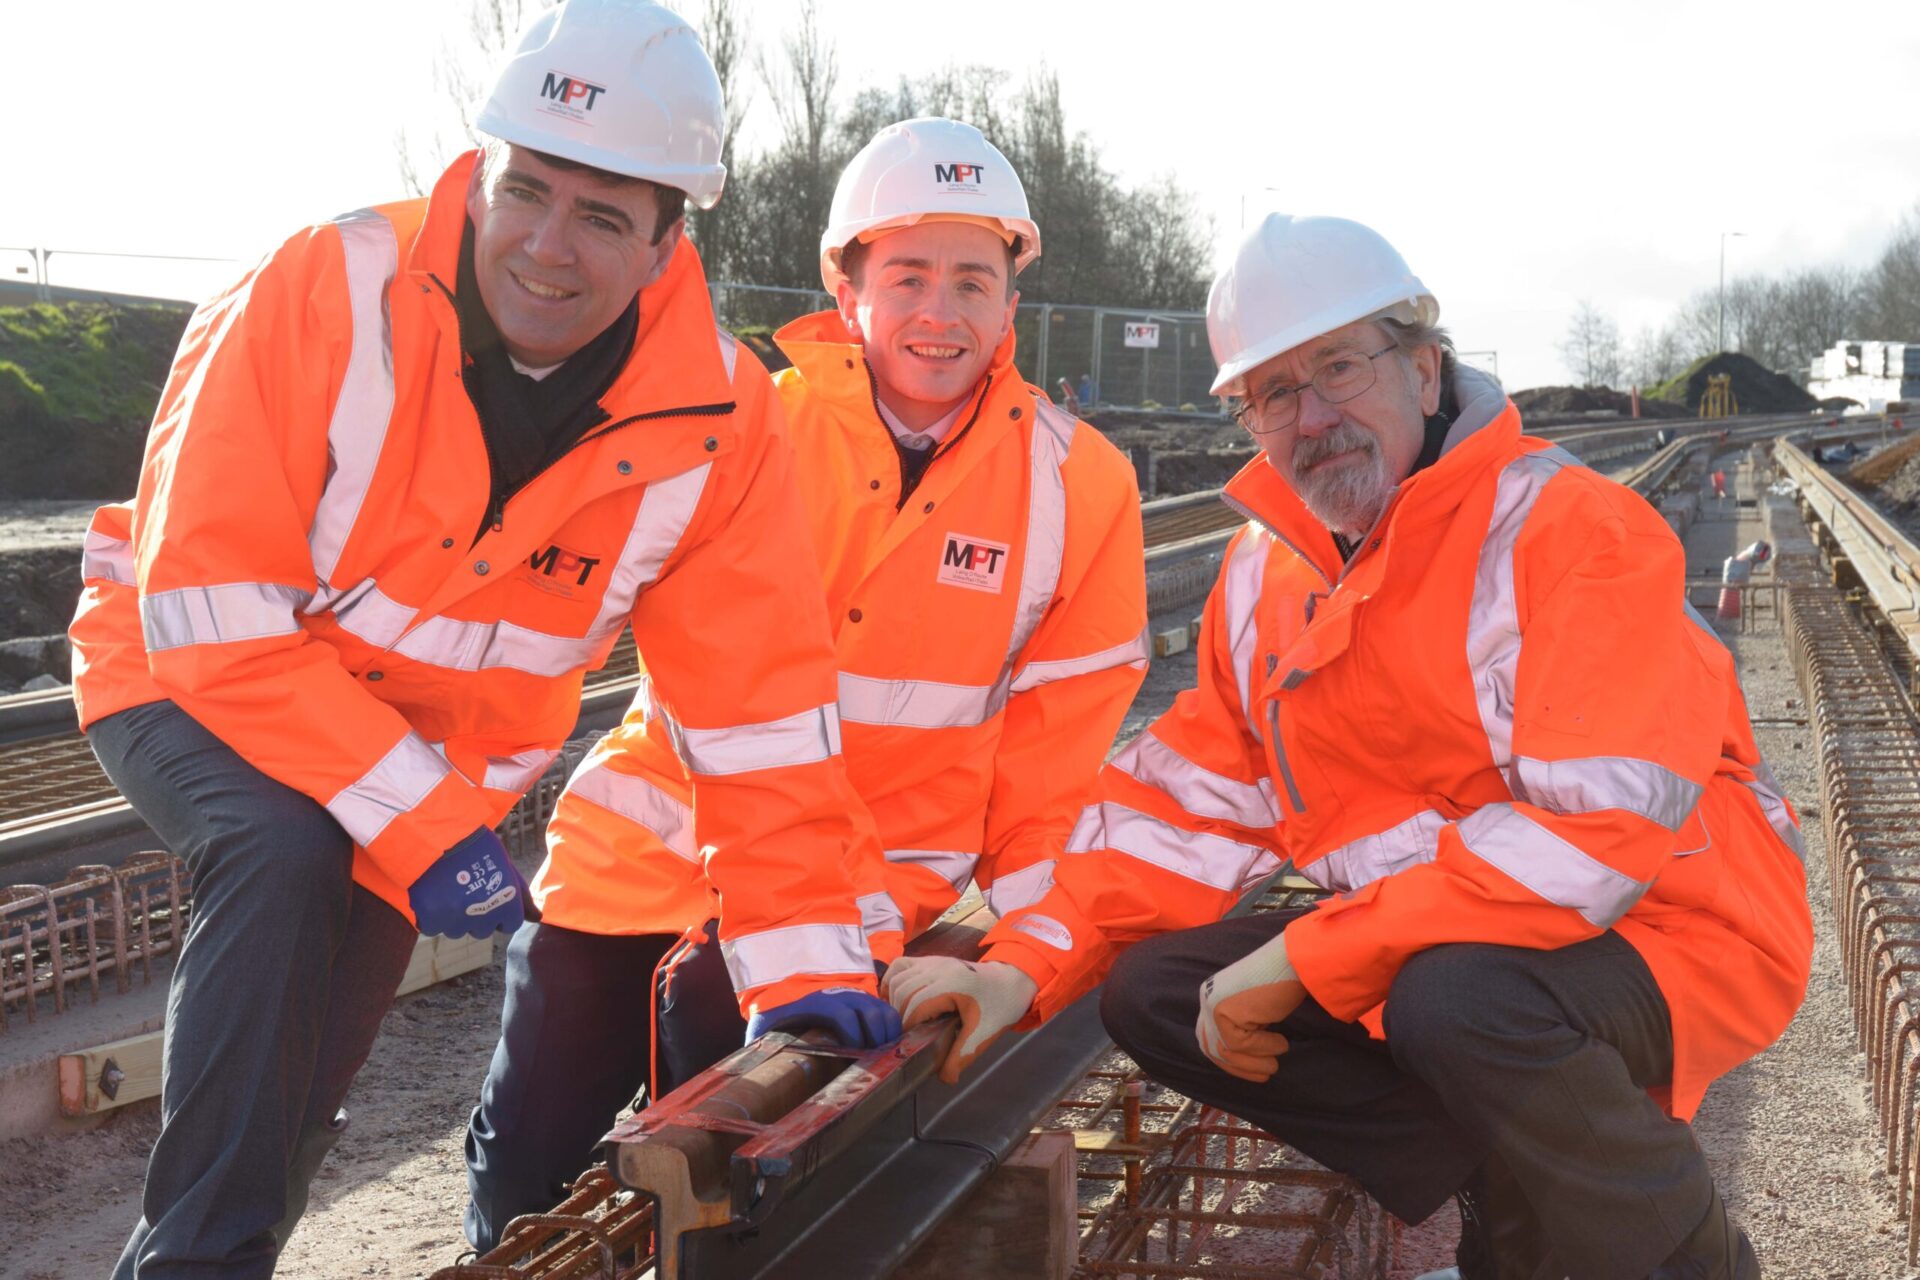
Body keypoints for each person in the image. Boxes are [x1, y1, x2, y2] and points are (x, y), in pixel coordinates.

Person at [68, 3, 894, 1274]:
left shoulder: (719, 420)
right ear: (483, 170)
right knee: (281, 850)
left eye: (605, 215)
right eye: (529, 190)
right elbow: (209, 609)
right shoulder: (325, 286)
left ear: (671, 240)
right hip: (187, 676)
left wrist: (802, 953)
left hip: (409, 772)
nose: (547, 248)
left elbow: (755, 714)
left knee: (300, 1082)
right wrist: (429, 822)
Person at [882, 214, 1813, 1280]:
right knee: (1154, 990)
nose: (1313, 415)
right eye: (1276, 391)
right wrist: (1022, 966)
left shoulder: (1568, 532)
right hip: (1446, 937)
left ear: (1424, 369)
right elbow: (1180, 813)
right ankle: (1506, 1173)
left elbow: (1591, 838)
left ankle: (1694, 1259)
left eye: (1338, 367)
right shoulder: (1263, 577)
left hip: (1679, 918)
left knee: (1458, 1003)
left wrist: (1312, 952)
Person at [467, 115, 1149, 1246]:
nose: (941, 312)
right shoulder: (746, 426)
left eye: (973, 280)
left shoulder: (1080, 487)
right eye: (910, 275)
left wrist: (1039, 961)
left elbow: (1052, 767)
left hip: (862, 904)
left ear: (1012, 302)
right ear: (848, 289)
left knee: (757, 1190)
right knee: (530, 1175)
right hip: (640, 862)